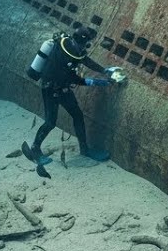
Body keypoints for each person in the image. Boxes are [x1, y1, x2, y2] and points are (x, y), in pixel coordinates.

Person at [24, 27, 117, 164]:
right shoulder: (66, 54)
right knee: (50, 122)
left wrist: (104, 70)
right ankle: (35, 149)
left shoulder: (69, 45)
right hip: (51, 89)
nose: (87, 46)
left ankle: (84, 149)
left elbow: (85, 60)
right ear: (83, 42)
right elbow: (72, 78)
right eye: (88, 43)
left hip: (62, 88)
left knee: (78, 116)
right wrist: (94, 82)